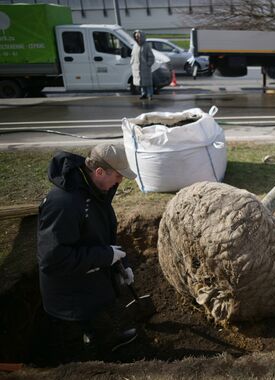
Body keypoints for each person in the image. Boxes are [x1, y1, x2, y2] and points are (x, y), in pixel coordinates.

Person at [37, 144, 138, 358]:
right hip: (71, 291)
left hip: (90, 275)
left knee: (104, 317)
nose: (120, 182)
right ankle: (94, 356)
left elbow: (101, 236)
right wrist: (105, 256)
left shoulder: (97, 192)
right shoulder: (64, 203)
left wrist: (122, 263)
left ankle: (107, 338)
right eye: (118, 176)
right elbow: (52, 259)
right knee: (87, 335)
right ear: (100, 171)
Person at [131, 30, 155, 100]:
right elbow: (133, 56)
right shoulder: (135, 46)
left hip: (145, 68)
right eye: (136, 36)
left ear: (142, 37)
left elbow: (151, 57)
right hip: (137, 68)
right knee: (141, 82)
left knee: (148, 82)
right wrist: (132, 63)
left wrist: (148, 64)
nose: (137, 38)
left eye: (138, 36)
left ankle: (150, 94)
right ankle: (143, 94)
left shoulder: (146, 45)